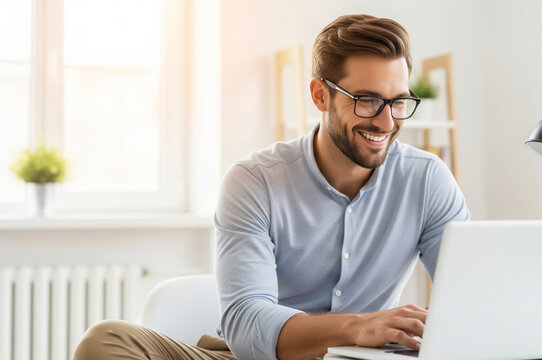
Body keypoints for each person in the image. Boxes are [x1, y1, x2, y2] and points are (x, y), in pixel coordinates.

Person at [73, 14, 468, 360]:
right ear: (320, 95)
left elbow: (475, 294)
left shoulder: (427, 179)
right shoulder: (254, 180)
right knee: (104, 341)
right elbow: (248, 325)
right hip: (253, 359)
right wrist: (358, 327)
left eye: (398, 102)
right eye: (366, 101)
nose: (386, 122)